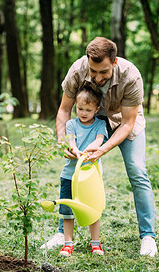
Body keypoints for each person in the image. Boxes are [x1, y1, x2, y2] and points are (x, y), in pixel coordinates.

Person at [41, 37, 157, 257]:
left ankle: (148, 236)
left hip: (122, 121)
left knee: (137, 170)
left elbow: (127, 123)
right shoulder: (77, 70)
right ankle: (62, 235)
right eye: (93, 72)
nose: (97, 77)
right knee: (72, 172)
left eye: (103, 71)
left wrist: (103, 148)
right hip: (89, 120)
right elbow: (64, 110)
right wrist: (63, 140)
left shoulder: (131, 76)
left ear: (114, 63)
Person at [58, 86, 108, 256]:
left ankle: (95, 243)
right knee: (67, 211)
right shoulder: (71, 124)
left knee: (92, 209)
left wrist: (87, 151)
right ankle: (67, 243)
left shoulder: (101, 124)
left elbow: (99, 141)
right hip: (69, 176)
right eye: (80, 109)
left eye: (88, 109)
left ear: (97, 109)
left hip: (90, 177)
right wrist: (75, 150)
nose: (83, 113)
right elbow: (71, 141)